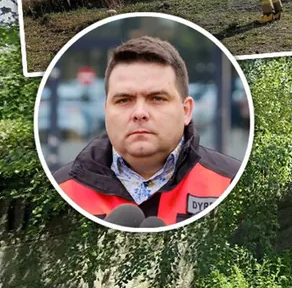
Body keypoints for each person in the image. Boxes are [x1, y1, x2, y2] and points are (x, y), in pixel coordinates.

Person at [52, 36, 241, 227]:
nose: (140, 113)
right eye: (124, 100)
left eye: (157, 98)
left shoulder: (233, 183)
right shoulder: (60, 192)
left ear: (186, 111)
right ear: (106, 110)